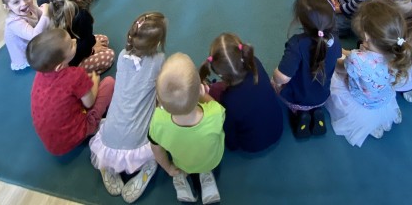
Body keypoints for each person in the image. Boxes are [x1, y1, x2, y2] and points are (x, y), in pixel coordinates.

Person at [90, 12, 167, 202]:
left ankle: (108, 166)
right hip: (138, 142)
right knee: (163, 119)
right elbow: (162, 93)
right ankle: (148, 168)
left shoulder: (123, 56)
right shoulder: (159, 60)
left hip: (110, 137)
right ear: (157, 43)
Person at [325, 0, 412, 147]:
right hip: (383, 98)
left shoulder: (357, 59)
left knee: (333, 79)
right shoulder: (398, 54)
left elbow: (339, 67)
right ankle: (381, 121)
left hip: (362, 100)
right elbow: (362, 58)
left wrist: (333, 54)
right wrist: (347, 53)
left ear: (366, 36)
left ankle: (370, 125)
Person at [149, 53, 225, 204]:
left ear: (159, 100)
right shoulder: (215, 113)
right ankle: (205, 174)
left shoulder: (157, 121)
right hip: (212, 160)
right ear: (201, 89)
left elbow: (156, 150)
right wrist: (202, 95)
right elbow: (214, 106)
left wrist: (169, 168)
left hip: (182, 163)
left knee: (177, 159)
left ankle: (179, 176)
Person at [26, 28, 115, 156]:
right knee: (109, 83)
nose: (75, 41)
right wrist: (95, 83)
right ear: (59, 66)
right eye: (71, 45)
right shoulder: (75, 75)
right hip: (74, 135)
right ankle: (92, 126)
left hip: (53, 142)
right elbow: (89, 103)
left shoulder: (40, 74)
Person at [272, 0, 342, 137]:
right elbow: (337, 60)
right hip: (322, 97)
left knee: (275, 82)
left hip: (297, 99)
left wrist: (275, 79)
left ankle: (299, 116)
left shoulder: (297, 44)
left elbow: (282, 78)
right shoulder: (335, 40)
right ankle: (316, 112)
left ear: (300, 20)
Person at [199, 33, 283, 152]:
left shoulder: (228, 100)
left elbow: (231, 140)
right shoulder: (255, 63)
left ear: (221, 75)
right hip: (278, 128)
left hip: (253, 145)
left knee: (214, 94)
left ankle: (208, 87)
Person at [48, 0, 115, 74]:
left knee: (103, 39)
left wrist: (91, 43)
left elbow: (82, 38)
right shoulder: (82, 15)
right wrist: (92, 50)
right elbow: (84, 44)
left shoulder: (57, 9)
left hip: (69, 50)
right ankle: (80, 75)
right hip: (72, 61)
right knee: (109, 55)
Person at [1, 0, 51, 71]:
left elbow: (43, 17)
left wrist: (46, 11)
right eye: (16, 2)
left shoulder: (30, 8)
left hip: (35, 45)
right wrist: (45, 13)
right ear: (7, 6)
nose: (24, 3)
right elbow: (34, 35)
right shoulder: (14, 22)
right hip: (27, 57)